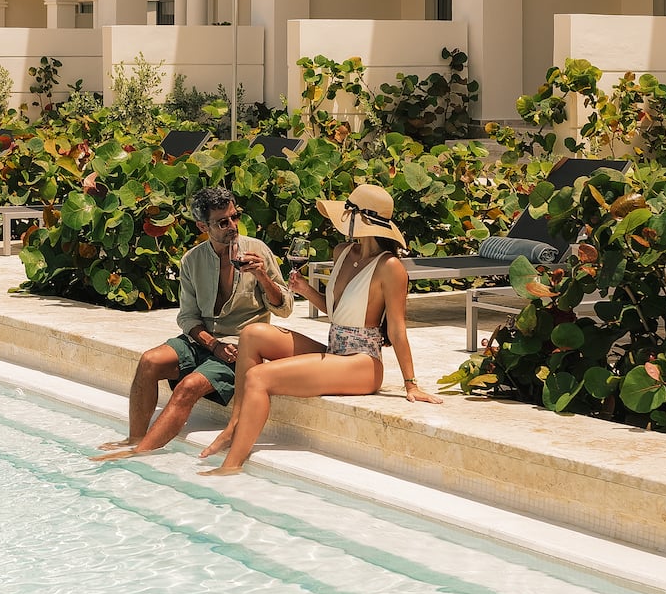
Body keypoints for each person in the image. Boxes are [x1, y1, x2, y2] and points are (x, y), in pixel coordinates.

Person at [199, 182, 439, 475]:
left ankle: (232, 464)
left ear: (358, 220)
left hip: (362, 363)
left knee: (260, 377)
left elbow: (398, 330)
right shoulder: (343, 251)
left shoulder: (391, 267)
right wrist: (303, 289)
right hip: (336, 350)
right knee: (252, 334)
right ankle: (233, 426)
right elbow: (337, 310)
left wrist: (411, 384)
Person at [93, 185, 292, 460]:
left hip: (239, 347)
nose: (232, 226)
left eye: (235, 217)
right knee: (149, 361)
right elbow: (187, 317)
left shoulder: (258, 251)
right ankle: (135, 437)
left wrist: (262, 277)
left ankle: (139, 454)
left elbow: (285, 309)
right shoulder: (192, 260)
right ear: (202, 225)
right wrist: (212, 345)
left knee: (188, 387)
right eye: (223, 222)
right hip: (204, 340)